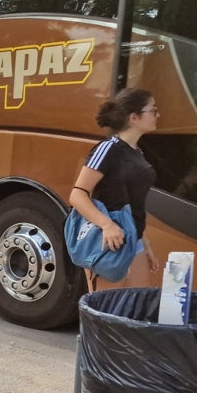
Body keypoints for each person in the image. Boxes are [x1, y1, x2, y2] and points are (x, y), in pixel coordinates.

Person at [69, 87, 160, 291]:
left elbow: (134, 202)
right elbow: (77, 194)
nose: (157, 115)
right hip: (108, 243)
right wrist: (107, 225)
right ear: (134, 117)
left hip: (133, 241)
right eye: (153, 110)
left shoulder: (138, 153)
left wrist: (146, 243)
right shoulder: (107, 148)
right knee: (105, 313)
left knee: (136, 310)